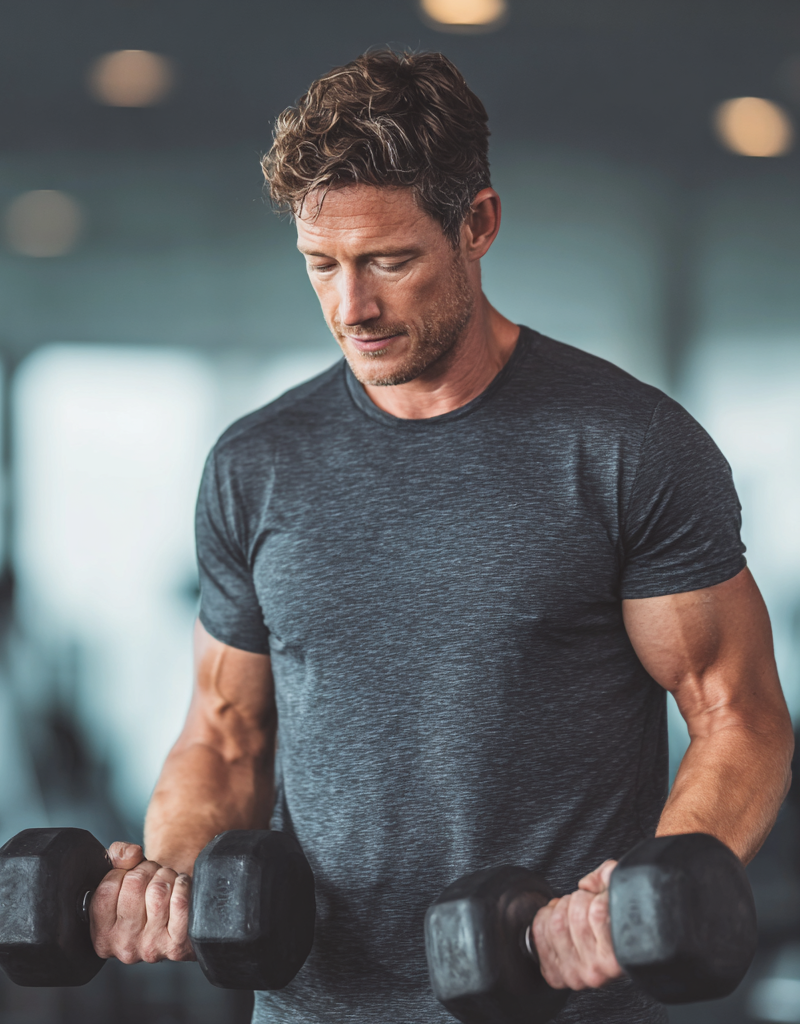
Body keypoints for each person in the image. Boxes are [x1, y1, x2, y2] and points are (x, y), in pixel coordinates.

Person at [88, 50, 794, 1023]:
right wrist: (167, 877)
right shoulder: (258, 464)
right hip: (309, 1008)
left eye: (387, 260)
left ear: (477, 225)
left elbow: (738, 715)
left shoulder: (625, 446)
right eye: (321, 265)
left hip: (549, 999)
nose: (352, 308)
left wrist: (627, 901)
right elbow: (223, 735)